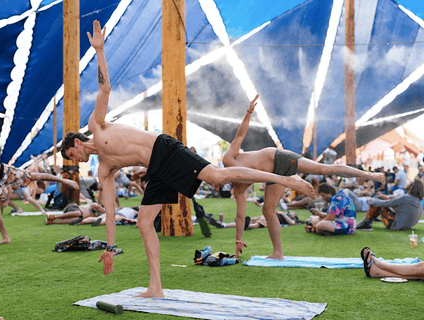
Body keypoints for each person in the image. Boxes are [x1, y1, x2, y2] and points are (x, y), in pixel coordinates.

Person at [60, 20, 317, 299]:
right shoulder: (105, 171)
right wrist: (110, 248)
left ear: (76, 143)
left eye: (73, 156)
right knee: (144, 223)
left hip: (165, 149)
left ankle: (286, 179)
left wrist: (99, 50)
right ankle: (155, 287)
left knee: (218, 177)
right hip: (155, 170)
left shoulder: (96, 126)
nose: (77, 161)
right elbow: (110, 212)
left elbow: (104, 89)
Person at [222, 95, 384, 259]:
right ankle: (277, 252)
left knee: (322, 169)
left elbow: (240, 136)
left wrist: (249, 112)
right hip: (275, 176)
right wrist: (238, 241)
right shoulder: (239, 189)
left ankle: (369, 174)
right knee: (268, 210)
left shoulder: (228, 160)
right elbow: (240, 216)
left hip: (278, 157)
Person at [355, 179, 423, 231]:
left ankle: (366, 222)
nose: (407, 183)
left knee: (379, 199)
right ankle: (371, 219)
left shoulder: (405, 198)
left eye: (409, 183)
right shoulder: (418, 201)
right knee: (382, 198)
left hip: (394, 225)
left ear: (412, 187)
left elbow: (384, 203)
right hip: (405, 226)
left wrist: (369, 200)